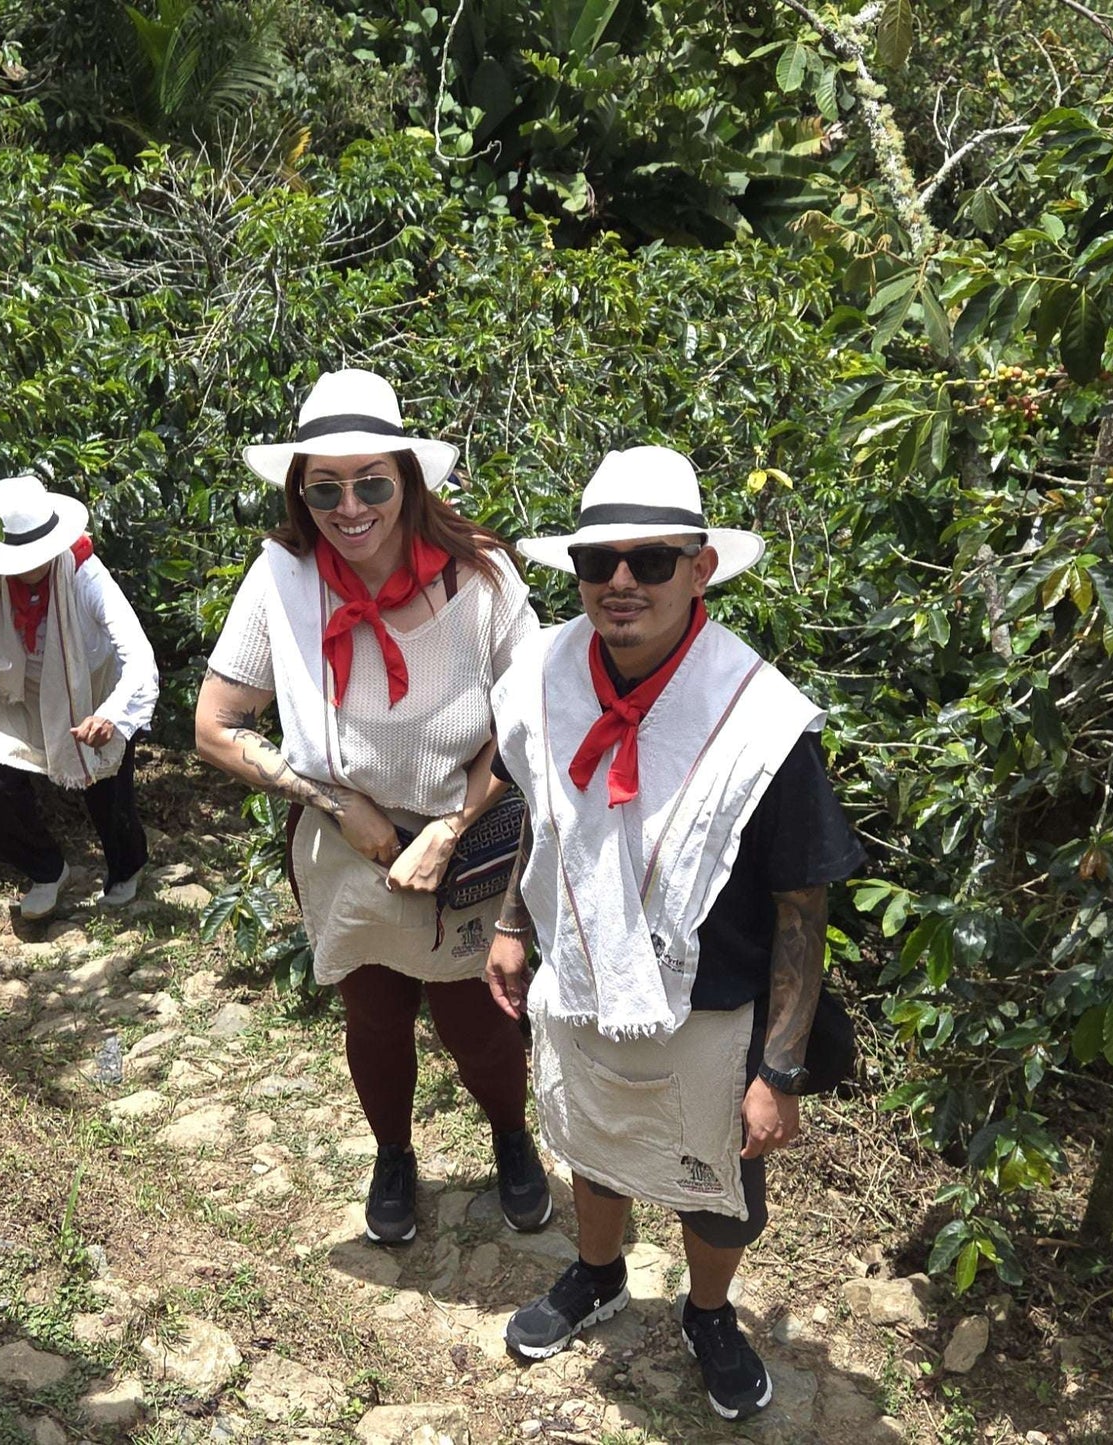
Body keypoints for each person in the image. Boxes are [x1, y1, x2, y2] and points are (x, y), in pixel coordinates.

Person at [486, 446, 865, 1420]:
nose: (619, 581)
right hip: (578, 972)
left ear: (697, 567)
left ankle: (705, 1312)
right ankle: (596, 1273)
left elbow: (799, 902)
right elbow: (545, 808)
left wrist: (776, 1071)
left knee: (713, 1189)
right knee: (589, 1137)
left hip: (708, 999)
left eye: (650, 560)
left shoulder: (756, 718)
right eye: (598, 559)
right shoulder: (542, 675)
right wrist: (510, 918)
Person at [195, 367, 551, 1246]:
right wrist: (332, 804)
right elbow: (214, 724)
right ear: (299, 491)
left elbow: (531, 723)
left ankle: (513, 1139)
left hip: (466, 838)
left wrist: (449, 828)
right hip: (346, 844)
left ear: (408, 479)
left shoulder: (482, 578)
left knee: (479, 1019)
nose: (348, 507)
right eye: (324, 488)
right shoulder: (283, 578)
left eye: (370, 484)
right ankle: (393, 1153)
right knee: (376, 1013)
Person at [0, 475, 158, 918]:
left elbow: (140, 657)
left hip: (89, 691)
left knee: (106, 793)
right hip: (18, 685)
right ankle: (47, 869)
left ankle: (126, 867)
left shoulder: (86, 574)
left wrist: (112, 715)